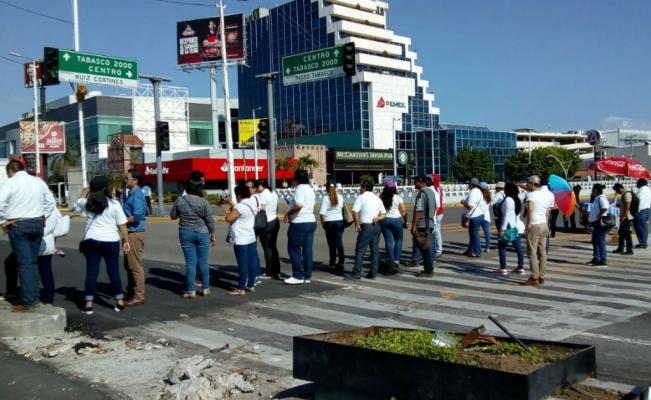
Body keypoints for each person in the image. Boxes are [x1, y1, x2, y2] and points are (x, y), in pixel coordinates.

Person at [0, 160, 56, 312]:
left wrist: (3, 221)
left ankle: (28, 302)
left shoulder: (10, 183)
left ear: (11, 171)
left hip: (19, 224)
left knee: (24, 264)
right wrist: (44, 215)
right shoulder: (38, 181)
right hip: (37, 223)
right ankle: (34, 297)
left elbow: (0, 203)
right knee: (32, 262)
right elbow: (51, 202)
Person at [77, 176, 131, 314]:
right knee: (113, 272)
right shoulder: (114, 204)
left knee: (91, 272)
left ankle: (88, 304)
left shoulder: (87, 203)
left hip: (91, 240)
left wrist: (88, 189)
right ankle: (119, 301)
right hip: (111, 241)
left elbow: (79, 199)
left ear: (93, 189)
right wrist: (125, 241)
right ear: (106, 188)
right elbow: (122, 226)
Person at [4, 208, 63, 305]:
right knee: (45, 271)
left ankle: (25, 296)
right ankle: (48, 299)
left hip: (34, 243)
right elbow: (58, 225)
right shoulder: (52, 209)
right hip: (47, 244)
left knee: (23, 266)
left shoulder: (34, 208)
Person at [170, 178, 216, 298]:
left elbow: (173, 216)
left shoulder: (180, 200)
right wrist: (213, 234)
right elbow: (210, 221)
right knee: (203, 262)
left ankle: (191, 291)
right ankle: (205, 289)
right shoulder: (204, 202)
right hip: (203, 233)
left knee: (190, 262)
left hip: (186, 232)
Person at [345, 182, 385, 280]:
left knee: (360, 250)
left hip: (366, 226)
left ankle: (356, 273)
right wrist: (378, 218)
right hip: (376, 226)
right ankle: (373, 272)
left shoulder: (361, 197)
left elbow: (355, 211)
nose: (359, 189)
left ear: (364, 188)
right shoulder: (377, 198)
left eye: (360, 187)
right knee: (374, 250)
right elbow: (383, 213)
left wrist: (357, 224)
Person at [225, 184, 261, 296]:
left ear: (239, 195)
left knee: (242, 264)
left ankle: (241, 288)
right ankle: (250, 285)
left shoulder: (240, 206)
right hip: (250, 236)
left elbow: (228, 219)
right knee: (251, 262)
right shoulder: (251, 203)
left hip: (241, 238)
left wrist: (228, 213)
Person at [284, 170, 317, 285]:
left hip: (299, 222)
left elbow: (299, 205)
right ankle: (307, 275)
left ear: (297, 179)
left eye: (293, 178)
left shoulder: (299, 189)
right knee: (307, 250)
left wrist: (287, 213)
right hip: (310, 221)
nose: (291, 180)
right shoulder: (310, 189)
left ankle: (298, 275)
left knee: (294, 249)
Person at [122, 169, 148, 306]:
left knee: (135, 265)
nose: (125, 180)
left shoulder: (137, 195)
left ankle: (139, 295)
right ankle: (131, 291)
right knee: (128, 265)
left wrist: (121, 221)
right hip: (128, 233)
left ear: (135, 181)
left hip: (134, 233)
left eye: (127, 178)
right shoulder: (130, 194)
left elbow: (137, 216)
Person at [523, 175, 552, 286]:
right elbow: (547, 211)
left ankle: (534, 276)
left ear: (532, 184)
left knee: (532, 252)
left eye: (528, 184)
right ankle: (542, 275)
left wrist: (529, 223)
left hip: (534, 224)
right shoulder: (545, 195)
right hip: (544, 224)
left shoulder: (531, 195)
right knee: (543, 252)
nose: (527, 186)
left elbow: (530, 209)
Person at [496, 183, 525, 276]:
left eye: (505, 188)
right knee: (518, 247)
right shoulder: (516, 199)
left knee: (502, 246)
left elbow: (507, 215)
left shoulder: (508, 199)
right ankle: (520, 267)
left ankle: (503, 268)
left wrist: (502, 228)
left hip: (508, 225)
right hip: (513, 225)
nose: (504, 190)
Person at [411, 176, 437, 278]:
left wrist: (414, 225)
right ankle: (428, 269)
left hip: (422, 225)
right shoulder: (431, 192)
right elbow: (434, 208)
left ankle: (428, 270)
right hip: (429, 223)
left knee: (424, 248)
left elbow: (419, 210)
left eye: (415, 181)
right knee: (426, 247)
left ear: (421, 182)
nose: (414, 183)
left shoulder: (422, 194)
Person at [379, 179, 407, 268]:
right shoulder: (397, 197)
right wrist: (405, 221)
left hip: (384, 220)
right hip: (396, 220)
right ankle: (396, 260)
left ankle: (391, 260)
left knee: (389, 240)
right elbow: (403, 210)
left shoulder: (381, 197)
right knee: (398, 240)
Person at [256, 180, 281, 279]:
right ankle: (276, 270)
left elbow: (262, 209)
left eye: (257, 186)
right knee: (273, 247)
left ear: (262, 186)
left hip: (266, 222)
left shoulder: (262, 195)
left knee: (267, 248)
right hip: (275, 220)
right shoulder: (273, 193)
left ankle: (269, 272)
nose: (257, 189)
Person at [319, 180, 345, 269]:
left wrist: (323, 224)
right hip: (339, 221)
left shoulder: (325, 198)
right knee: (339, 242)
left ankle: (332, 262)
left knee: (331, 244)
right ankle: (341, 261)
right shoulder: (341, 197)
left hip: (329, 222)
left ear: (326, 188)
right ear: (336, 187)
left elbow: (322, 213)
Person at [587, 184, 610, 267]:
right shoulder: (597, 199)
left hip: (599, 223)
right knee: (595, 241)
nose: (592, 192)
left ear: (595, 190)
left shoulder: (601, 198)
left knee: (600, 241)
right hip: (596, 223)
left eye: (592, 190)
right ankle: (596, 258)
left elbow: (605, 208)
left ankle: (603, 260)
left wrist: (597, 217)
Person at [461, 178, 484, 258]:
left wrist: (463, 202)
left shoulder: (473, 193)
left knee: (474, 235)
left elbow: (470, 206)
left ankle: (478, 252)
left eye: (469, 183)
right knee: (472, 234)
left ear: (472, 184)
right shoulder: (478, 191)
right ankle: (470, 250)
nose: (468, 184)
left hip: (475, 216)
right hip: (478, 215)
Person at [612, 183, 635, 255]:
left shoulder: (627, 194)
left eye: (617, 190)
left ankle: (629, 250)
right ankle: (620, 248)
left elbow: (628, 205)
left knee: (627, 234)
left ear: (619, 188)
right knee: (621, 233)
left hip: (627, 217)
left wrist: (624, 216)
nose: (617, 192)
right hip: (624, 216)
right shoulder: (623, 194)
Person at [634, 179, 650, 249]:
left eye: (637, 183)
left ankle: (642, 243)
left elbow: (639, 201)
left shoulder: (641, 190)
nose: (636, 185)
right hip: (647, 210)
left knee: (639, 227)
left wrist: (636, 211)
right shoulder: (648, 190)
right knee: (644, 227)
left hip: (640, 210)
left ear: (640, 184)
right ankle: (643, 242)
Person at [432, 174, 444, 257]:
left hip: (436, 213)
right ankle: (438, 249)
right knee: (437, 231)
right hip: (440, 212)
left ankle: (438, 250)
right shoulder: (439, 187)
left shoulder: (435, 188)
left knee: (436, 232)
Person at [479, 182, 492, 253]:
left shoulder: (480, 195)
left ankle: (476, 246)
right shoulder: (488, 195)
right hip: (486, 216)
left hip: (479, 215)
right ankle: (487, 247)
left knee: (475, 232)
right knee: (486, 232)